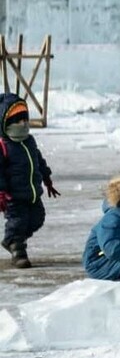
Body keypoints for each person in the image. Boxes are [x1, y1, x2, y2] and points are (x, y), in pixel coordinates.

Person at [0, 94, 59, 269]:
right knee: (18, 222)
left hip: (33, 193)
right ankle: (18, 250)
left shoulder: (29, 141)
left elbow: (38, 161)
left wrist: (47, 179)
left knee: (37, 218)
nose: (24, 124)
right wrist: (2, 192)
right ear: (6, 124)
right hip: (14, 197)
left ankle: (11, 239)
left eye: (26, 119)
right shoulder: (4, 146)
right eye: (18, 121)